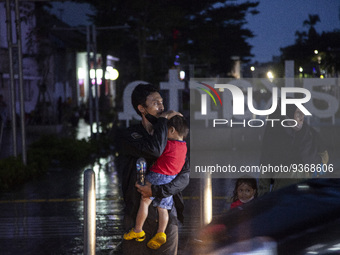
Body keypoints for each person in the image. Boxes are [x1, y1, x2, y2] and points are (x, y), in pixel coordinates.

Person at [117, 83, 190, 255]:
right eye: (156, 103)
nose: (162, 107)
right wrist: (164, 122)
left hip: (166, 215)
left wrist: (157, 190)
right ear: (142, 108)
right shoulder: (131, 135)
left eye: (162, 103)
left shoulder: (175, 136)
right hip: (137, 215)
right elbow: (155, 150)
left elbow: (184, 176)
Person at [258, 103, 328, 196]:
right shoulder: (274, 140)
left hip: (307, 194)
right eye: (298, 114)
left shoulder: (310, 134)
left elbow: (324, 155)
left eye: (302, 113)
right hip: (283, 195)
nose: (301, 118)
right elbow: (265, 173)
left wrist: (318, 167)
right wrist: (263, 201)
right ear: (286, 117)